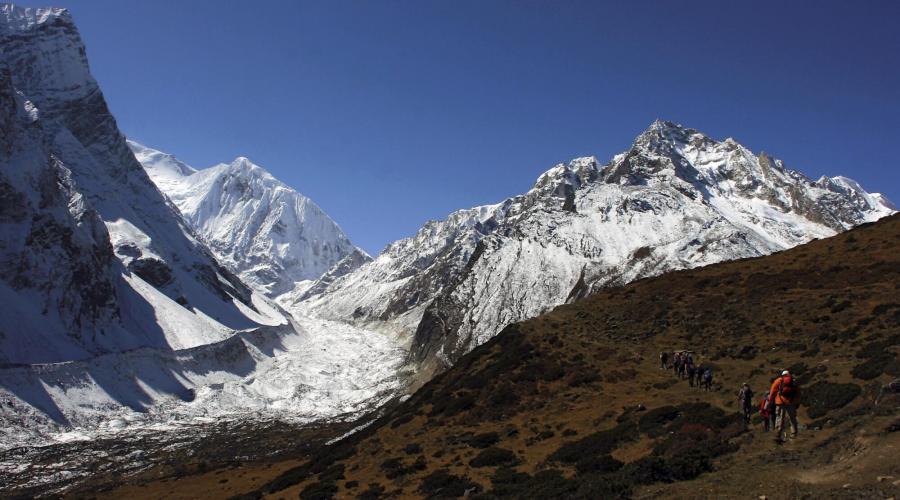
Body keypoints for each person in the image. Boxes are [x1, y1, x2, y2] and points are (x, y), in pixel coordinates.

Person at [768, 370, 800, 443]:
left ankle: (777, 434)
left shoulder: (779, 380)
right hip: (791, 403)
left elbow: (772, 392)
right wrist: (797, 402)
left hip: (780, 402)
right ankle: (793, 435)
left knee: (779, 417)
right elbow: (798, 393)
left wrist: (770, 402)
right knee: (792, 418)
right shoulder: (794, 381)